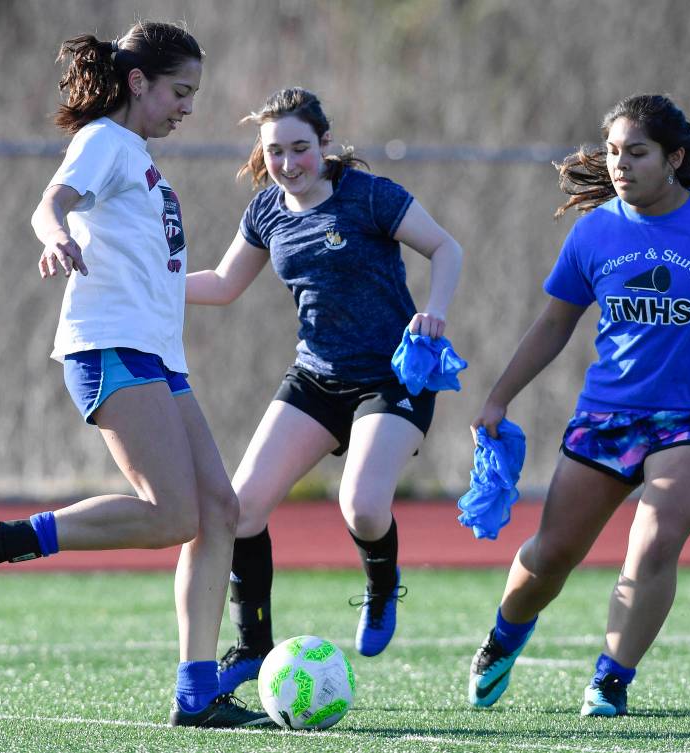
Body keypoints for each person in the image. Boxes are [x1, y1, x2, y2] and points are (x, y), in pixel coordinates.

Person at [0, 21, 273, 729]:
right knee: (173, 514)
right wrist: (55, 232)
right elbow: (50, 201)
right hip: (108, 345)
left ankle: (197, 691)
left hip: (156, 356)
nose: (188, 107)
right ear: (138, 82)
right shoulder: (105, 142)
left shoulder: (139, 157)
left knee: (221, 513)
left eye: (195, 94)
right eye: (180, 91)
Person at [466, 94, 690, 717]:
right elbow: (554, 324)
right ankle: (503, 638)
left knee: (653, 540)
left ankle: (610, 679)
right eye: (612, 152)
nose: (620, 165)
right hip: (608, 416)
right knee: (551, 553)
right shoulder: (596, 232)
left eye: (636, 152)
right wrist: (500, 396)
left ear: (675, 158)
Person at [184, 87, 463, 694]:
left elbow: (447, 248)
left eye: (300, 148)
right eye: (275, 152)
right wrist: (146, 284)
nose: (289, 164)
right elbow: (225, 284)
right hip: (315, 377)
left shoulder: (369, 197)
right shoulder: (265, 211)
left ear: (325, 143)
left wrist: (435, 310)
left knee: (362, 506)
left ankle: (382, 584)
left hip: (390, 375)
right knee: (239, 510)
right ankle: (253, 646)